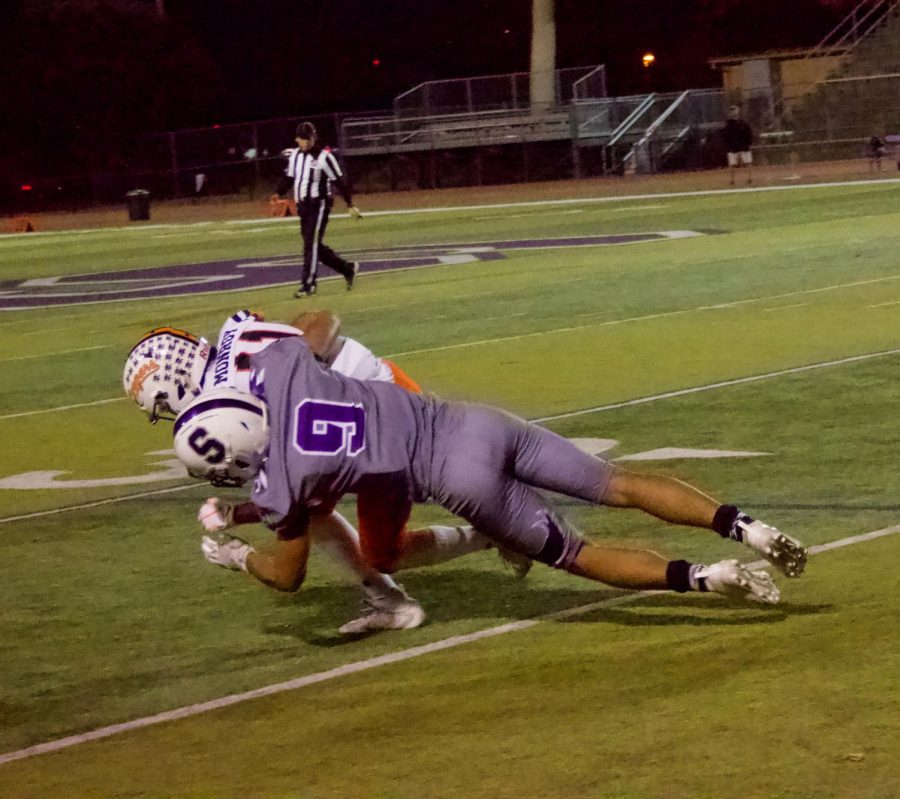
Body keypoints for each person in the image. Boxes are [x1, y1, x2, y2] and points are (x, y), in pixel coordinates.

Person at [172, 335, 808, 614]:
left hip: (457, 479)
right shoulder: (283, 369)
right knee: (618, 483)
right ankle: (742, 526)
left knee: (577, 554)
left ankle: (706, 577)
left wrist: (236, 554)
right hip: (476, 422)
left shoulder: (281, 479)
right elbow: (301, 330)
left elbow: (288, 573)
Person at [123, 311, 528, 633]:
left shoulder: (232, 396)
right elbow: (316, 319)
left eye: (160, 405)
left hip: (381, 419)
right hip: (359, 417)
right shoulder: (235, 342)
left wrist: (239, 551)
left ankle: (493, 533)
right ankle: (393, 597)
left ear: (168, 384)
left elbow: (288, 554)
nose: (168, 415)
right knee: (324, 514)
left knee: (381, 545)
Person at [271, 121, 362, 298]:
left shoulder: (324, 158)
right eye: (303, 139)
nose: (306, 143)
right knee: (313, 246)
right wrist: (278, 192)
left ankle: (308, 285)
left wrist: (350, 204)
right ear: (297, 139)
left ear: (314, 138)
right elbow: (289, 178)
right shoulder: (295, 156)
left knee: (310, 245)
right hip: (303, 206)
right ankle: (347, 268)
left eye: (308, 139)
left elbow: (339, 182)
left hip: (319, 204)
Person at [722, 105, 754, 186]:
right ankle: (732, 180)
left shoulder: (743, 123)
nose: (733, 112)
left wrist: (749, 144)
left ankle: (749, 178)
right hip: (733, 147)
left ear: (738, 111)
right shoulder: (728, 124)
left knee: (748, 162)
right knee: (732, 164)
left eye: (735, 110)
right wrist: (727, 145)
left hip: (743, 146)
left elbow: (749, 134)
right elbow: (725, 135)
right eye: (732, 111)